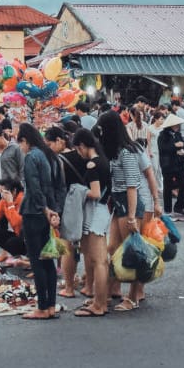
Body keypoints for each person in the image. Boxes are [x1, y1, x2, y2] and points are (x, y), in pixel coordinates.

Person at [97, 110, 144, 312]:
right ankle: (110, 290)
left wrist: (132, 216)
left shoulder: (127, 152)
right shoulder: (116, 151)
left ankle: (133, 296)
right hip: (119, 204)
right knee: (113, 248)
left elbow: (133, 185)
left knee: (132, 253)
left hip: (128, 204)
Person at [16, 122, 61, 320]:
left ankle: (43, 307)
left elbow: (34, 188)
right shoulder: (48, 155)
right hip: (47, 213)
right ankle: (50, 305)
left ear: (25, 140)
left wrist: (44, 209)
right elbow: (54, 186)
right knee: (47, 260)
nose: (20, 148)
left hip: (34, 213)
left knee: (37, 261)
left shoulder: (32, 157)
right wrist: (53, 211)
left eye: (20, 144)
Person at [70, 128, 112, 317]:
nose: (79, 153)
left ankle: (100, 304)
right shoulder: (104, 161)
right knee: (100, 260)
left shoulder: (93, 165)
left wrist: (78, 190)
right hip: (102, 211)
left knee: (99, 260)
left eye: (78, 150)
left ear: (82, 146)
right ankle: (100, 299)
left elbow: (94, 193)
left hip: (95, 212)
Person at [44, 126, 84, 300]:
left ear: (60, 140)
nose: (49, 147)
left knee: (68, 246)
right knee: (85, 246)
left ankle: (69, 286)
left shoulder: (58, 160)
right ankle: (87, 282)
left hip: (68, 205)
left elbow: (56, 187)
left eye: (50, 143)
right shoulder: (82, 155)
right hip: (85, 202)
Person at [158, 113, 184, 219]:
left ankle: (179, 206)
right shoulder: (162, 135)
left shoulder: (177, 134)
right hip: (167, 164)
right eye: (175, 124)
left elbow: (183, 145)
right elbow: (163, 149)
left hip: (179, 163)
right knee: (167, 186)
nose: (177, 126)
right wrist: (175, 146)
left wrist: (182, 150)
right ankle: (167, 209)